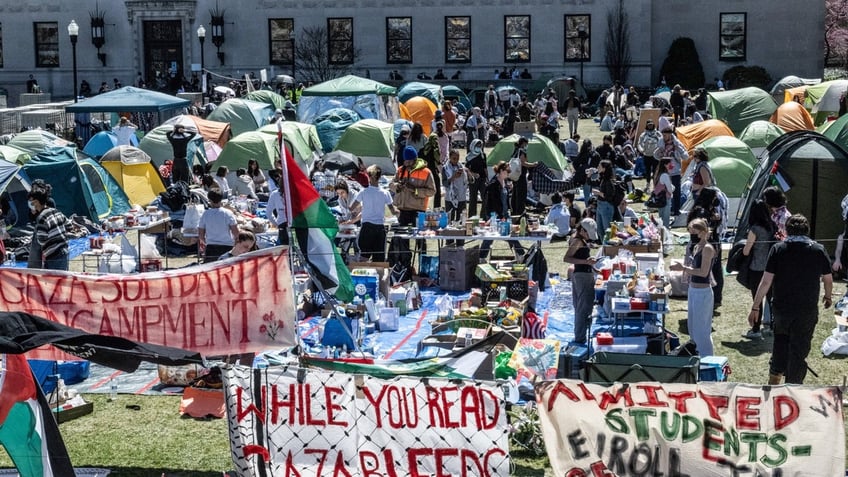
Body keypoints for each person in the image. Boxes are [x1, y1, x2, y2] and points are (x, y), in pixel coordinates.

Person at [747, 214, 832, 385]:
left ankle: (774, 381)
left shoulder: (779, 249)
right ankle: (794, 388)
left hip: (781, 308)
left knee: (780, 344)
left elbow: (766, 281)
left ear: (787, 230)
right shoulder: (818, 250)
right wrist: (828, 296)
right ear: (807, 230)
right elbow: (828, 278)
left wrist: (755, 306)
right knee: (799, 350)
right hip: (806, 309)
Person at [670, 217, 715, 356]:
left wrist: (683, 268)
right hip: (693, 290)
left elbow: (703, 272)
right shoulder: (696, 247)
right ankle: (696, 355)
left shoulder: (707, 248)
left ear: (702, 232)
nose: (691, 235)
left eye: (693, 232)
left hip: (703, 292)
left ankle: (707, 358)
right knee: (693, 328)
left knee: (702, 330)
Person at [741, 200, 776, 339]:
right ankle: (773, 327)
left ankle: (755, 329)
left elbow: (746, 251)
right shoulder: (772, 226)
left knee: (757, 299)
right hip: (771, 268)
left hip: (756, 267)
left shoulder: (755, 229)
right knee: (771, 298)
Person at [347, 165, 397, 262]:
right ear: (379, 177)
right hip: (379, 228)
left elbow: (352, 208)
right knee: (379, 260)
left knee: (364, 258)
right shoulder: (385, 193)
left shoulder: (363, 192)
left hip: (366, 228)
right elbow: (393, 211)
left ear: (369, 177)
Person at [687, 187, 725, 313]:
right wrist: (715, 221)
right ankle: (714, 299)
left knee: (713, 271)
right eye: (714, 198)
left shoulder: (705, 209)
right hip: (705, 246)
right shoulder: (702, 212)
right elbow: (703, 230)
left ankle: (716, 298)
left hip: (706, 245)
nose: (716, 201)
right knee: (711, 271)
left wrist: (717, 219)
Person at [563, 218, 599, 344]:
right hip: (582, 276)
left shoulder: (579, 238)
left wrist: (592, 265)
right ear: (582, 230)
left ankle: (582, 334)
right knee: (582, 308)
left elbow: (581, 256)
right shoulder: (577, 241)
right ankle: (580, 337)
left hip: (584, 273)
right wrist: (586, 262)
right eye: (588, 233)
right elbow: (567, 258)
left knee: (583, 306)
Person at [480, 161, 525, 261]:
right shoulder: (494, 184)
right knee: (490, 236)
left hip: (505, 213)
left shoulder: (505, 183)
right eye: (507, 171)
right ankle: (481, 257)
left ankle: (520, 254)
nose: (508, 173)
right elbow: (494, 202)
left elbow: (505, 200)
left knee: (510, 235)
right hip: (495, 215)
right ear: (501, 171)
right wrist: (499, 217)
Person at [390, 146, 436, 227]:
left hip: (418, 210)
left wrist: (415, 190)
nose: (406, 164)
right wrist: (398, 186)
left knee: (420, 237)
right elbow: (391, 185)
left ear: (415, 159)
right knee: (401, 238)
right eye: (405, 161)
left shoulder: (426, 172)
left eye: (409, 162)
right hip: (402, 209)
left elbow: (432, 191)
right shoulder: (401, 170)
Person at [27, 185, 69, 271]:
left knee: (55, 281)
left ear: (36, 202)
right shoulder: (56, 211)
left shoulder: (41, 218)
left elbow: (41, 240)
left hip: (53, 256)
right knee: (63, 279)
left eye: (31, 201)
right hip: (64, 251)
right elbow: (69, 225)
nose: (30, 203)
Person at [197, 189, 239, 263]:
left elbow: (201, 233)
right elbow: (235, 232)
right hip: (227, 246)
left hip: (211, 247)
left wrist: (204, 244)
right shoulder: (228, 213)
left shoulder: (205, 214)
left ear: (209, 200)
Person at [653, 127, 688, 217]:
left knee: (676, 191)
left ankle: (676, 210)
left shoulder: (677, 143)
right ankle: (665, 209)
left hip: (675, 170)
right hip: (665, 171)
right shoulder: (661, 143)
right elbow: (655, 155)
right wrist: (660, 153)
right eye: (663, 135)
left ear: (670, 134)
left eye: (665, 135)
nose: (664, 137)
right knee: (663, 191)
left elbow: (686, 156)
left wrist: (678, 149)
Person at [510, 137, 537, 216]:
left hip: (515, 176)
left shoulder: (515, 150)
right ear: (523, 143)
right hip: (520, 176)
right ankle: (520, 211)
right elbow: (523, 163)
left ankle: (514, 211)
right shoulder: (521, 151)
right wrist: (533, 164)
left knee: (515, 193)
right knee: (521, 194)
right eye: (526, 144)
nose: (527, 146)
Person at [443, 149, 468, 223]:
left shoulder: (462, 167)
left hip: (461, 197)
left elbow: (466, 181)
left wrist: (467, 172)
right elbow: (445, 183)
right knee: (449, 220)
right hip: (450, 198)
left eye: (457, 158)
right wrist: (453, 177)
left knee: (461, 221)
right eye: (454, 158)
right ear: (449, 157)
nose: (456, 160)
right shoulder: (445, 168)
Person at [592, 160, 616, 239]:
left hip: (606, 206)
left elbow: (609, 196)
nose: (598, 167)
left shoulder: (609, 181)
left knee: (607, 230)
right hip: (600, 205)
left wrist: (598, 193)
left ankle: (609, 248)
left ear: (604, 168)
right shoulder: (602, 178)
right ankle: (604, 247)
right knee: (600, 230)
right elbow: (591, 182)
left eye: (599, 166)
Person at [465, 139, 488, 217]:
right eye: (477, 146)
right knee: (473, 199)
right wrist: (473, 174)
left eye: (480, 146)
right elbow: (466, 169)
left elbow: (485, 167)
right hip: (473, 180)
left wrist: (487, 177)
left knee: (485, 197)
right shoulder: (469, 157)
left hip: (483, 179)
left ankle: (484, 216)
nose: (479, 147)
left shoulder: (483, 155)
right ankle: (472, 216)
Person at [650, 157, 675, 227]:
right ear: (665, 165)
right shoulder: (665, 175)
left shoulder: (659, 174)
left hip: (660, 198)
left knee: (661, 217)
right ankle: (665, 232)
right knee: (665, 219)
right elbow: (670, 189)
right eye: (670, 163)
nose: (672, 165)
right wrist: (673, 188)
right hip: (665, 198)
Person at [421, 132, 442, 209]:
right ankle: (437, 207)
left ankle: (422, 207)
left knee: (423, 191)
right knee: (437, 191)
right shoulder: (435, 149)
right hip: (432, 172)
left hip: (424, 172)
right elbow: (438, 161)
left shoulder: (424, 149)